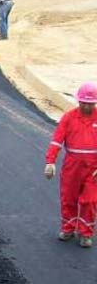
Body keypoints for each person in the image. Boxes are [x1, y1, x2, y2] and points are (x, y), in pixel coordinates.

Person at [44, 82, 97, 248]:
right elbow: (57, 140)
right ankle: (68, 228)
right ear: (78, 101)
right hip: (72, 166)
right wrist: (50, 161)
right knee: (69, 198)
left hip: (93, 169)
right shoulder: (69, 118)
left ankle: (86, 233)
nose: (87, 106)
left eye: (90, 103)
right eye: (84, 103)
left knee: (90, 201)